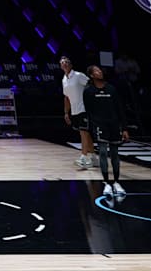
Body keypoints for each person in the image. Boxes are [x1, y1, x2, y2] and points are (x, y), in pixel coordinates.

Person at [86, 65, 129, 198]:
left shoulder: (111, 89)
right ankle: (106, 182)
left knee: (115, 153)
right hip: (99, 125)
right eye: (97, 71)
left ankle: (116, 182)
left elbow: (120, 109)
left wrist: (125, 128)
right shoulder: (89, 91)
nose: (100, 72)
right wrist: (92, 128)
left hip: (114, 125)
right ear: (92, 75)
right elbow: (89, 111)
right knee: (103, 152)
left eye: (100, 70)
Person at [61, 57, 94, 169]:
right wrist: (66, 112)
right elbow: (66, 97)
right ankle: (94, 157)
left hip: (84, 108)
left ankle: (84, 157)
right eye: (62, 63)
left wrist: (91, 101)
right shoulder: (64, 80)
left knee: (83, 133)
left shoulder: (79, 75)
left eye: (66, 62)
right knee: (86, 133)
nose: (64, 64)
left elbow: (91, 85)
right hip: (74, 110)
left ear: (70, 65)